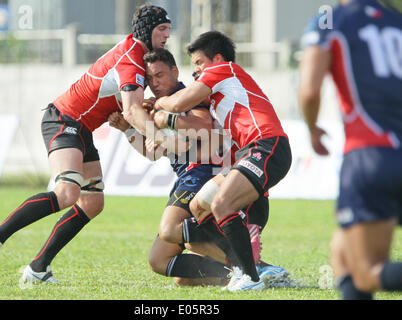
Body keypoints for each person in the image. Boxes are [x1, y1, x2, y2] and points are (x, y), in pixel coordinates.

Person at [0, 4, 172, 283]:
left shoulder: (139, 57)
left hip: (81, 128)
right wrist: (160, 137)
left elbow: (129, 114)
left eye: (168, 29)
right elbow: (131, 112)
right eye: (161, 29)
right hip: (63, 120)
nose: (166, 35)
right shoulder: (133, 55)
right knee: (67, 192)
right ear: (146, 30)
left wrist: (144, 129)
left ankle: (38, 268)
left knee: (91, 202)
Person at [109, 48, 290, 288]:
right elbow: (154, 153)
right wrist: (128, 130)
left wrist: (162, 126)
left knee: (171, 229)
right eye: (150, 79)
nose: (155, 83)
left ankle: (251, 268)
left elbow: (204, 128)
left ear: (175, 71)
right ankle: (253, 270)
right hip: (188, 176)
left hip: (202, 174)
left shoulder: (189, 96)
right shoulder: (162, 106)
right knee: (162, 262)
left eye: (160, 75)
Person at [153, 31, 292, 291]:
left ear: (216, 58)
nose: (195, 72)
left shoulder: (223, 69)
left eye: (198, 63)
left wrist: (161, 106)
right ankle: (249, 265)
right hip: (247, 157)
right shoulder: (222, 92)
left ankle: (250, 277)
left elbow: (179, 101)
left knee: (220, 204)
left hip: (266, 146)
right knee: (200, 205)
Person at [298, 0, 402, 299]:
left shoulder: (331, 17)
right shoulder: (395, 20)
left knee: (366, 272)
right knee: (342, 255)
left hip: (371, 156)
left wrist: (312, 128)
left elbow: (309, 91)